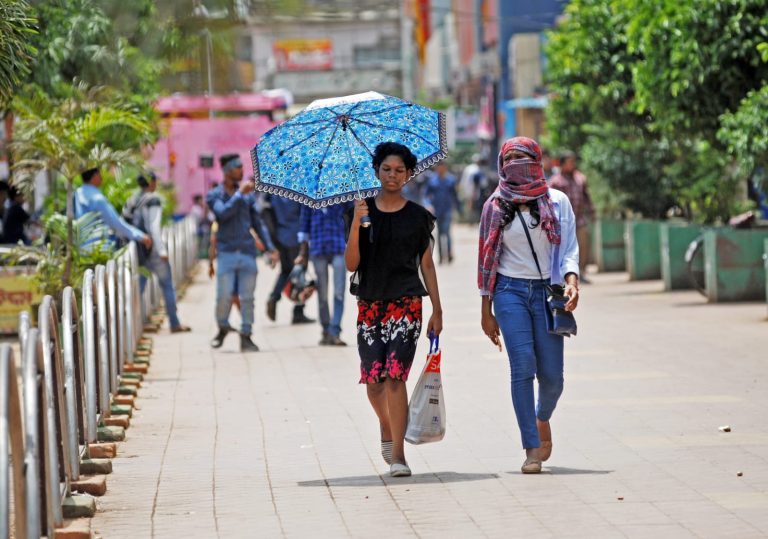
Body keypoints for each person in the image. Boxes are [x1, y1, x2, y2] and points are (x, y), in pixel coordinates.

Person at [478, 136, 580, 474]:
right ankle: (531, 448)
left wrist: (572, 281)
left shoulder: (557, 201)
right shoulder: (495, 205)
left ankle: (542, 417)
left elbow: (568, 249)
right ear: (501, 165)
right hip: (509, 291)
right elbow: (486, 260)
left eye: (524, 158)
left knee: (553, 379)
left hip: (548, 293)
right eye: (511, 159)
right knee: (522, 365)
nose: (517, 165)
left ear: (537, 160)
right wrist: (485, 310)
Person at [345, 141, 443, 478]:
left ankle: (399, 455)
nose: (392, 175)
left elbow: (427, 266)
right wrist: (357, 224)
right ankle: (387, 425)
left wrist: (437, 310)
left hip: (406, 304)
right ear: (376, 171)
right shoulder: (360, 211)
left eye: (399, 170)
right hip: (370, 305)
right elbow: (351, 264)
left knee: (395, 377)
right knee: (375, 383)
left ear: (409, 174)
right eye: (386, 169)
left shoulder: (418, 218)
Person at [206, 154, 278, 352]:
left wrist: (270, 247)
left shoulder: (248, 196)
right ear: (228, 170)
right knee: (224, 295)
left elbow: (258, 223)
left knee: (247, 298)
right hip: (227, 253)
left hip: (247, 252)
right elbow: (222, 214)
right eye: (237, 167)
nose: (241, 171)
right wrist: (239, 196)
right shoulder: (214, 195)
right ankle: (222, 326)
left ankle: (246, 334)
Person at [123, 173, 190, 333]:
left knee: (138, 288)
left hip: (137, 250)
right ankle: (174, 322)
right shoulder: (153, 199)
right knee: (167, 285)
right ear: (151, 182)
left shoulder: (132, 199)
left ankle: (132, 327)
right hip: (152, 249)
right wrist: (162, 250)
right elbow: (154, 227)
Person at [296, 200, 354, 346]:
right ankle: (325, 329)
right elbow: (304, 225)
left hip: (339, 247)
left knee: (339, 293)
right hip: (317, 248)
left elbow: (352, 216)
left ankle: (335, 331)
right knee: (322, 293)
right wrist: (303, 253)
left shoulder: (341, 192)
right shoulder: (308, 195)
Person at [74, 168, 152, 251]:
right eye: (100, 174)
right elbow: (115, 223)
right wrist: (140, 236)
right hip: (98, 249)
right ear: (95, 176)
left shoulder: (78, 193)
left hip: (82, 248)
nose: (101, 177)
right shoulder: (97, 199)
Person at [265, 194, 314, 325]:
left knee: (286, 270)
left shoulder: (273, 191)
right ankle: (298, 311)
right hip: (297, 236)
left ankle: (274, 297)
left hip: (281, 236)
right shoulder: (297, 189)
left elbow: (267, 211)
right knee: (300, 272)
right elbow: (305, 212)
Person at [549, 151, 594, 283]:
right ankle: (563, 273)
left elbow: (587, 196)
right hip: (562, 221)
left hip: (579, 219)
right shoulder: (555, 181)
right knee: (564, 247)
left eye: (573, 162)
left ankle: (581, 272)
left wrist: (592, 211)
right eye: (569, 162)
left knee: (583, 245)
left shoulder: (580, 179)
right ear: (562, 164)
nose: (571, 165)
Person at [424, 162, 462, 264]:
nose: (440, 170)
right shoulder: (432, 180)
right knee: (440, 233)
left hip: (448, 210)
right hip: (436, 211)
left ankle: (449, 254)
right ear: (436, 169)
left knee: (447, 232)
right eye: (438, 168)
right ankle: (441, 256)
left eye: (442, 168)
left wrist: (459, 209)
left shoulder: (451, 180)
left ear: (445, 168)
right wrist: (428, 205)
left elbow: (455, 195)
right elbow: (426, 195)